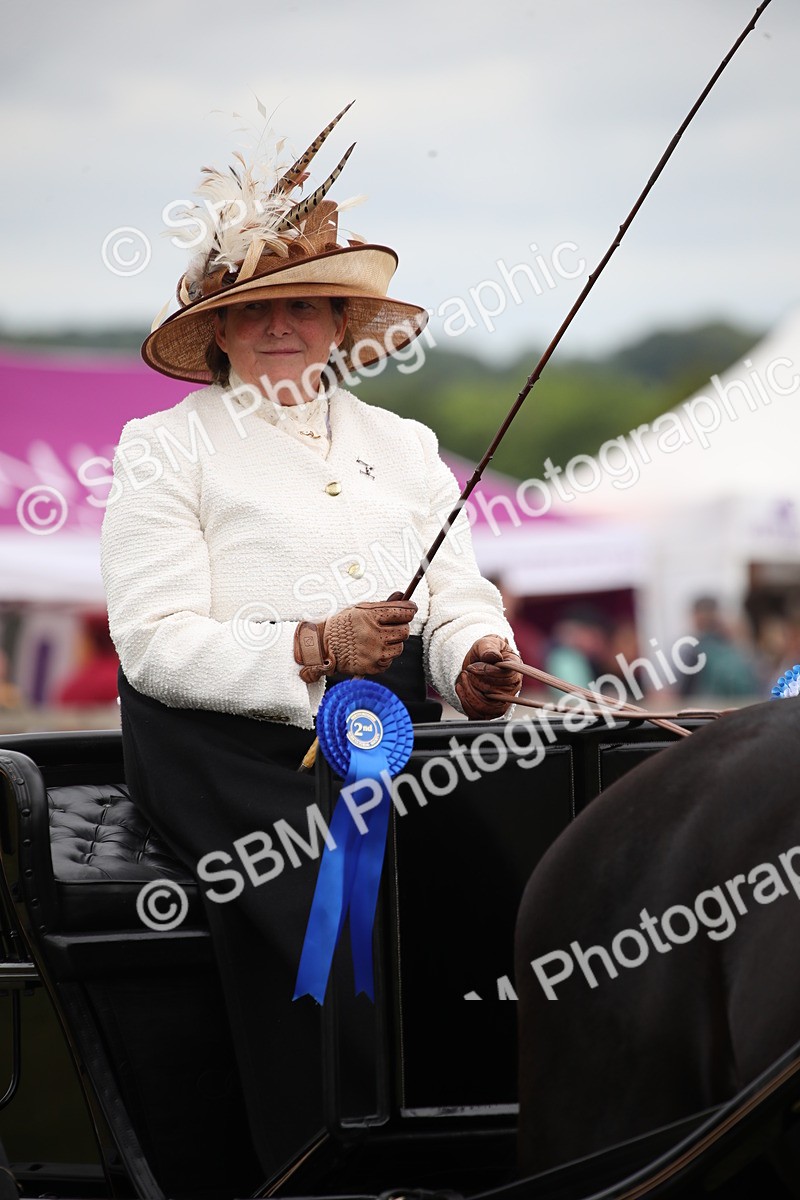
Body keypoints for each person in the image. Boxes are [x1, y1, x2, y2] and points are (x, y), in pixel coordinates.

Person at [100, 104, 522, 1182]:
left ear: (340, 323)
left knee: (512, 892)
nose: (280, 328)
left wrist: (470, 653)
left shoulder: (405, 443)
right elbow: (151, 645)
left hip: (398, 735)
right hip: (224, 752)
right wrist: (309, 645)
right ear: (220, 331)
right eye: (256, 312)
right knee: (332, 930)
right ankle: (322, 1165)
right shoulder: (162, 450)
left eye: (303, 308)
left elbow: (455, 591)